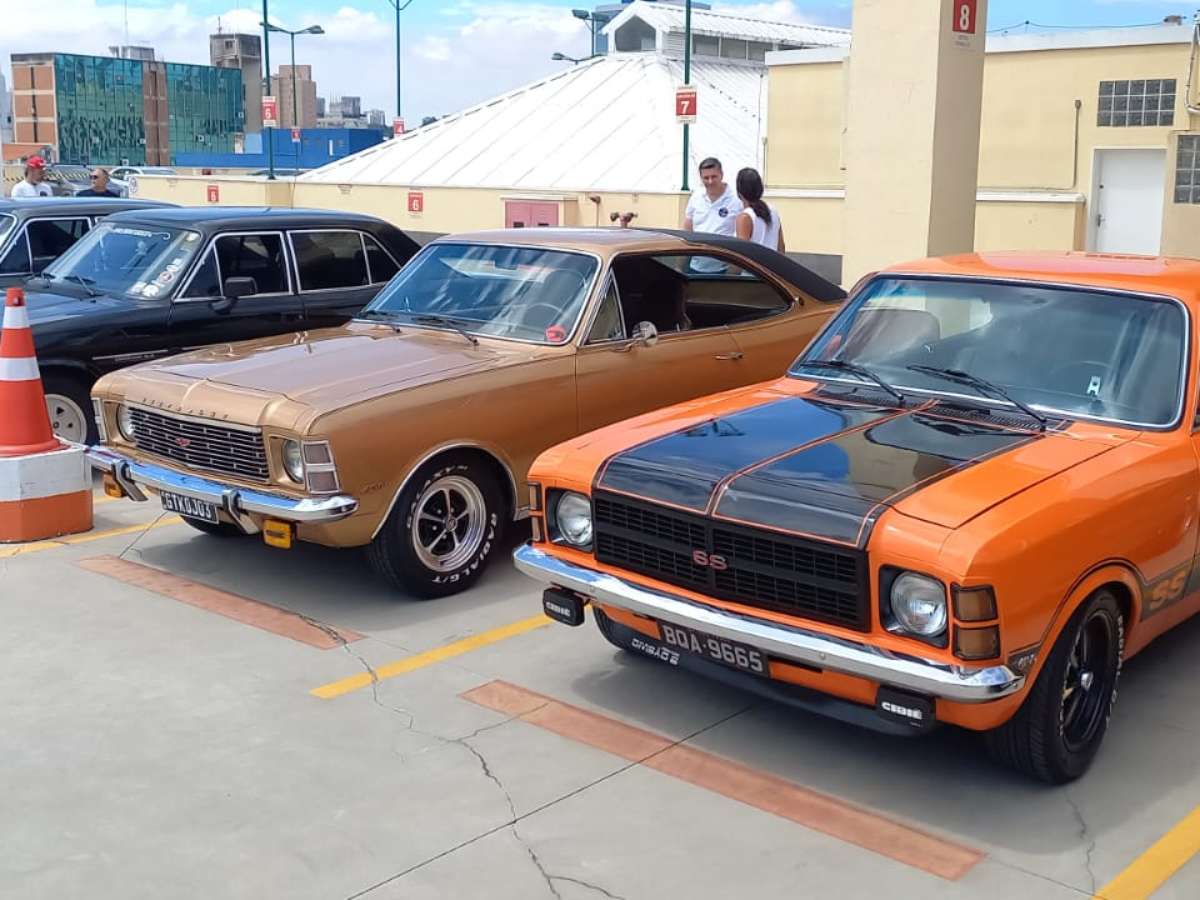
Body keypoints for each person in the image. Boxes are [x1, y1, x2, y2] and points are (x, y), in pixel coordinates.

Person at [682, 157, 741, 273]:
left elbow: (741, 237)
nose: (710, 181)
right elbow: (687, 231)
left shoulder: (736, 200)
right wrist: (680, 266)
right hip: (695, 267)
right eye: (706, 178)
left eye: (714, 177)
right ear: (701, 178)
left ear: (722, 175)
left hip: (724, 270)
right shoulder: (696, 197)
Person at [734, 167, 785, 252]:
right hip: (772, 260)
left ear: (739, 192)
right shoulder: (773, 211)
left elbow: (742, 253)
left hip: (753, 261)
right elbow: (781, 247)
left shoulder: (744, 218)